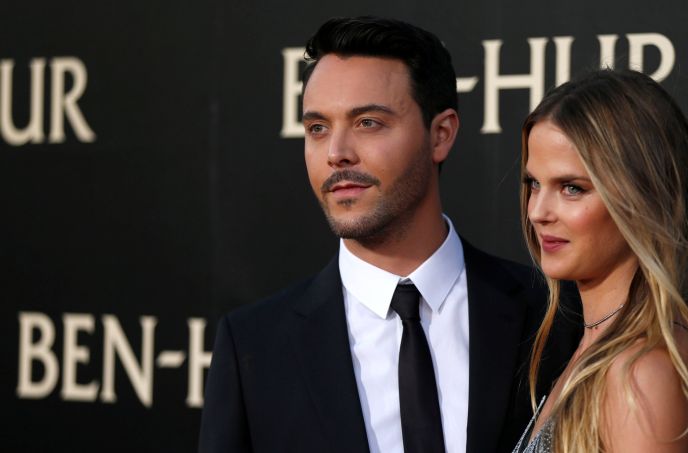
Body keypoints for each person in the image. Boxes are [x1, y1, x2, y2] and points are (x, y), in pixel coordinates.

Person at [198, 16, 581, 453]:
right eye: (317, 128)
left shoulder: (555, 314)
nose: (337, 153)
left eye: (367, 123)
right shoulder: (254, 347)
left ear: (441, 135)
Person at [512, 69, 688, 452]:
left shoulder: (642, 371)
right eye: (534, 183)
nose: (538, 211)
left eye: (572, 188)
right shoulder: (601, 344)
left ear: (642, 197)